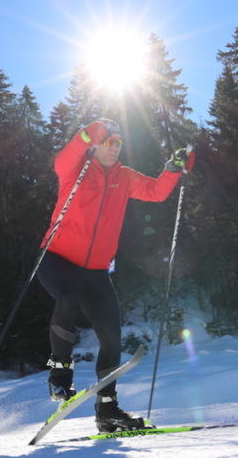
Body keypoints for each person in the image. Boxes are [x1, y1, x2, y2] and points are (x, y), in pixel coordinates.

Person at [37, 118, 194, 432]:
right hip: (57, 258)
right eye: (108, 141)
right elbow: (61, 160)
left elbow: (155, 192)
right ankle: (59, 375)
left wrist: (174, 169)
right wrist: (86, 133)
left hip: (95, 270)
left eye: (118, 143)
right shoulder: (78, 169)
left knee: (111, 334)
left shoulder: (125, 177)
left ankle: (107, 411)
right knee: (66, 299)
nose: (113, 146)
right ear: (97, 143)